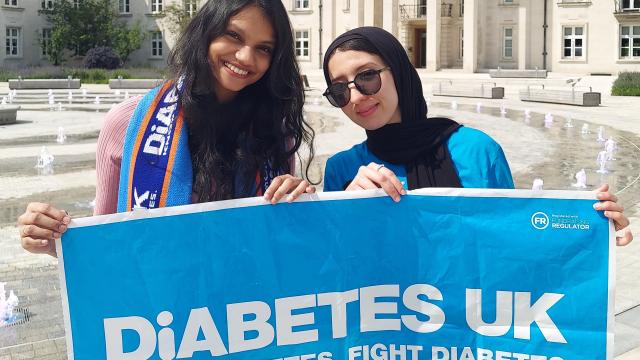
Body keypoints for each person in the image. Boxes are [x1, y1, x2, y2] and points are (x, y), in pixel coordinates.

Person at [18, 0, 315, 257]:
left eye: (264, 48)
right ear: (206, 33)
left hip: (243, 305)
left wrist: (301, 202)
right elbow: (108, 240)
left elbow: (286, 244)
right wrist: (54, 238)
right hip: (164, 309)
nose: (246, 57)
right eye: (233, 35)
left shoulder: (273, 131)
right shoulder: (126, 123)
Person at [321, 27, 633, 246]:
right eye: (339, 89)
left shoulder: (474, 150)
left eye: (367, 76)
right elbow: (330, 268)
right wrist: (348, 207)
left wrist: (590, 232)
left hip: (465, 331)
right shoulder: (342, 170)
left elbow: (513, 242)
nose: (356, 96)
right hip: (385, 333)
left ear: (400, 72)